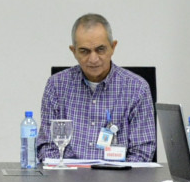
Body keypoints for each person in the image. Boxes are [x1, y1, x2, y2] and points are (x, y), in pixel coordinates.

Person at [38, 14, 156, 162]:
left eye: (100, 49)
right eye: (84, 51)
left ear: (113, 47)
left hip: (119, 175)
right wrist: (66, 173)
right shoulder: (56, 86)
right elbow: (47, 148)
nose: (93, 59)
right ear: (73, 51)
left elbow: (142, 152)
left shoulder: (137, 89)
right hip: (68, 174)